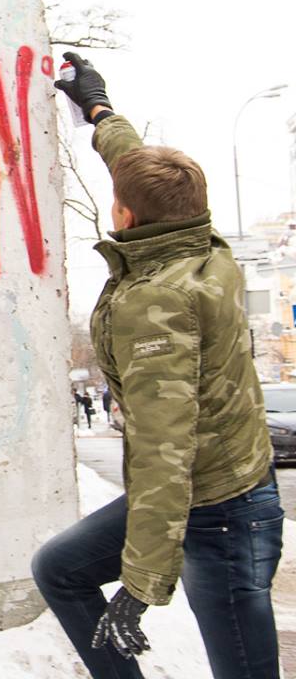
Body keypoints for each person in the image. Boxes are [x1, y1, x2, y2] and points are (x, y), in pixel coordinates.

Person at [32, 54, 283, 679]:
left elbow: (164, 449)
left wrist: (140, 585)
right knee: (61, 569)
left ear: (126, 216)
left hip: (219, 512)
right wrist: (99, 109)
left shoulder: (157, 304)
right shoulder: (202, 242)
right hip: (224, 485)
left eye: (119, 198)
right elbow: (136, 166)